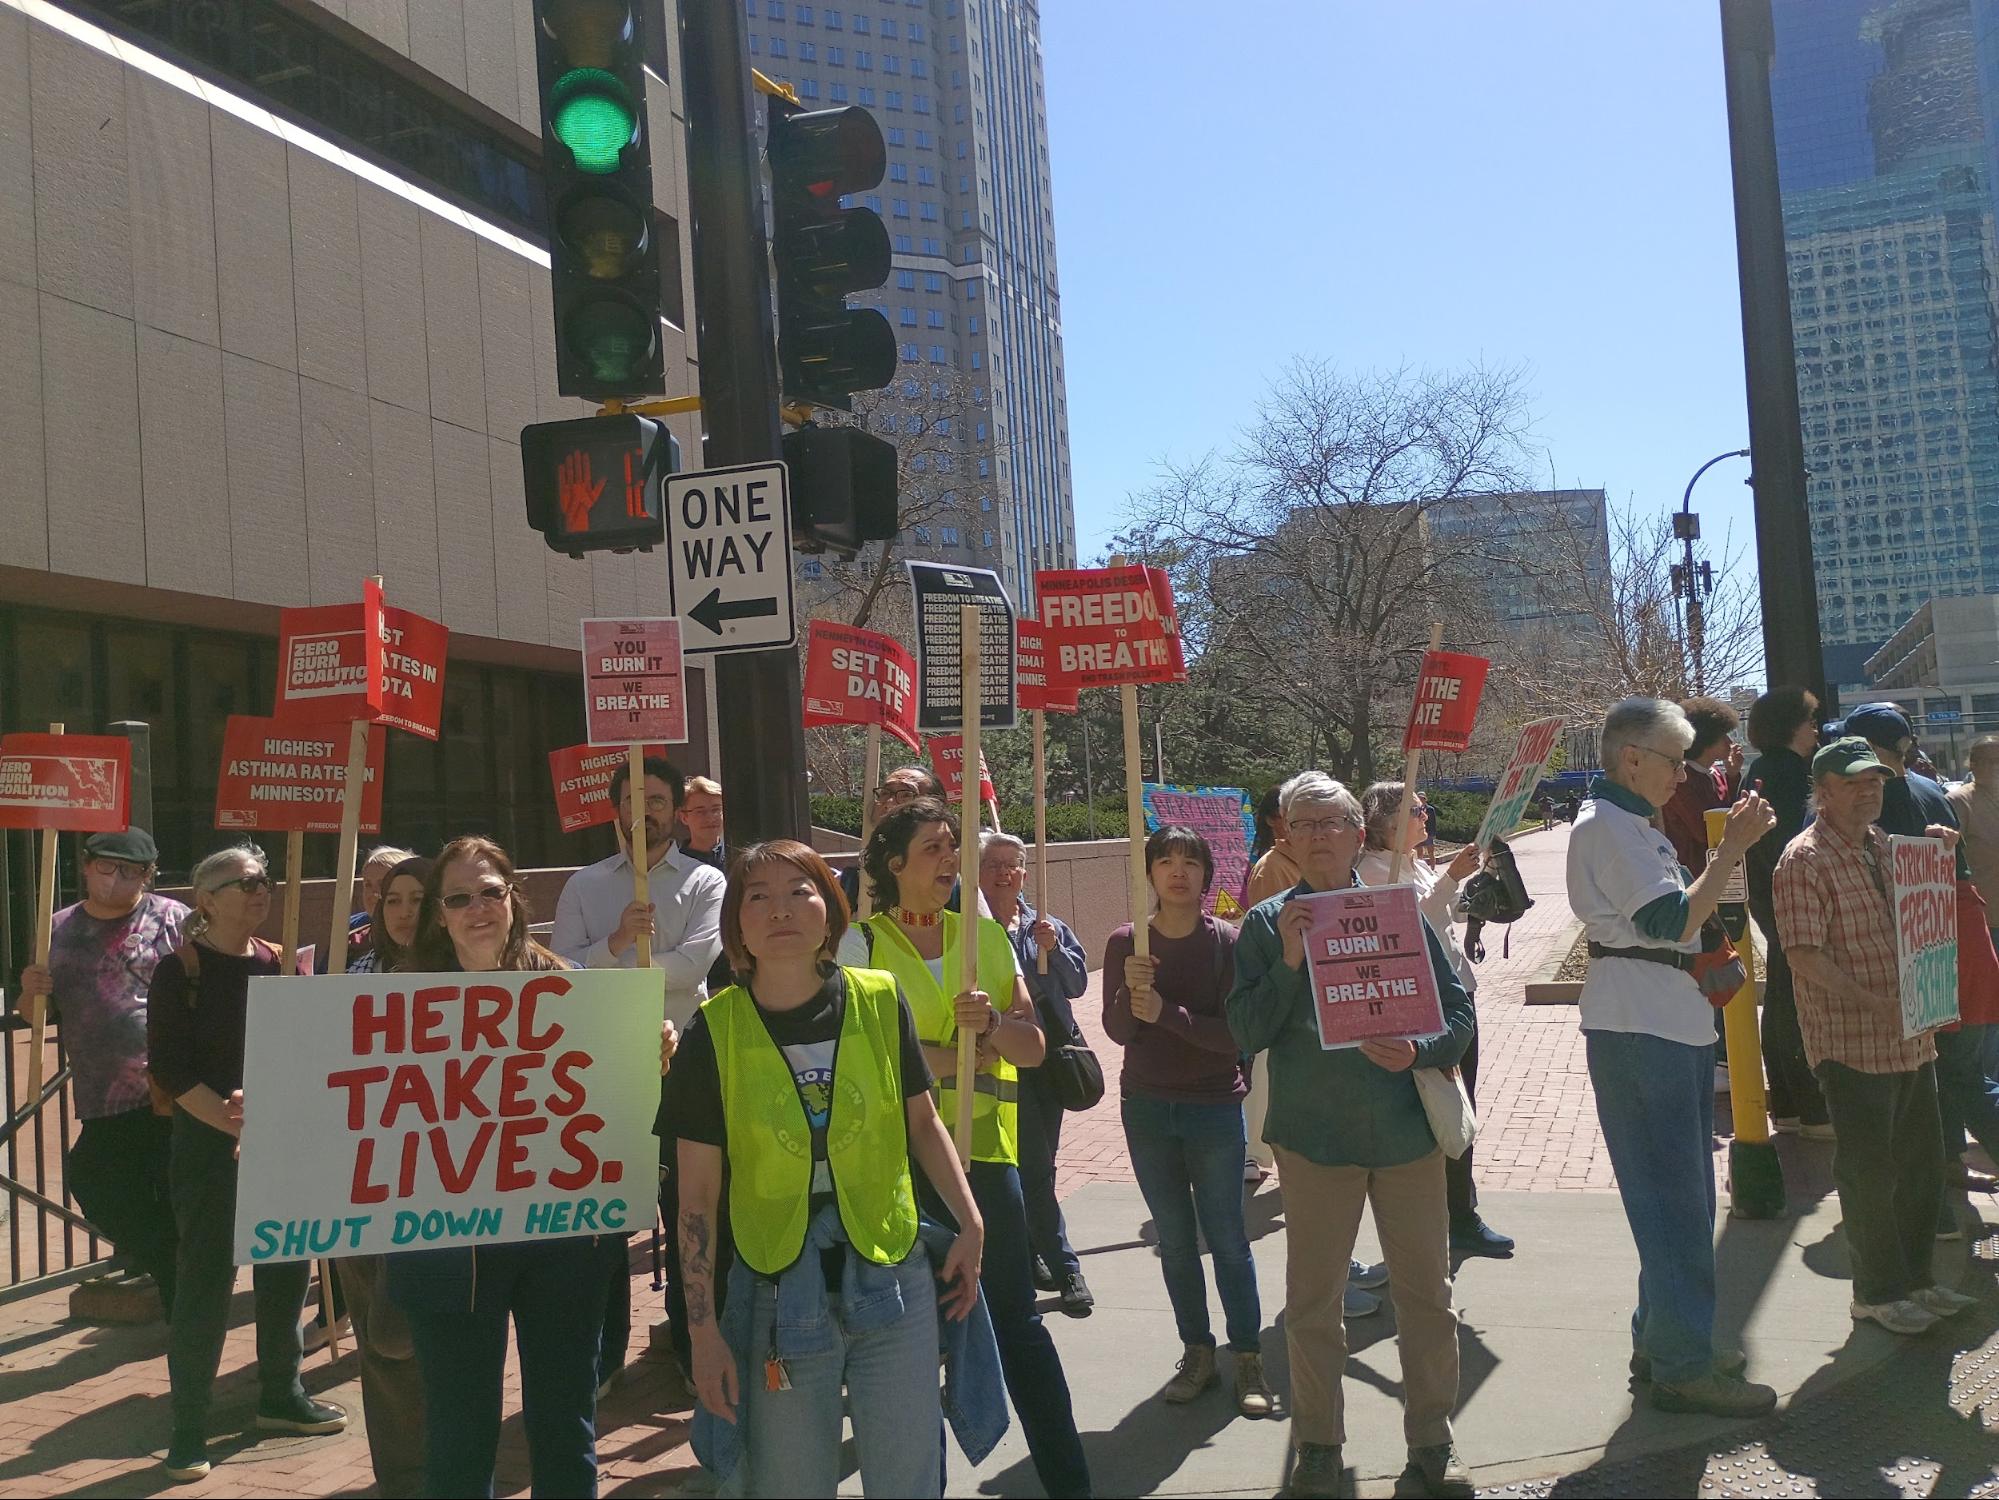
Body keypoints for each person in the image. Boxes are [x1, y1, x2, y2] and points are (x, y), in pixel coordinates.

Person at [663, 839, 987, 1496]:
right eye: (759, 897)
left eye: (799, 891)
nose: (780, 910)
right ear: (737, 928)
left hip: (892, 1277)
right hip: (777, 1295)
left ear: (830, 911)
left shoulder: (877, 998)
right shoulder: (711, 1032)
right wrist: (701, 1331)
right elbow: (695, 1196)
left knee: (908, 1479)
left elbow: (921, 1124)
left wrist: (971, 1222)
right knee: (788, 1484)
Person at [1228, 771, 1477, 1500]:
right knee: (1311, 1305)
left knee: (1425, 1297)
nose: (1313, 836)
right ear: (1284, 836)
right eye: (1298, 824)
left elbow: (1457, 1015)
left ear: (1354, 834)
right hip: (1313, 1141)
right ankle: (1317, 1444)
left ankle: (1431, 1440)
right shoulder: (1265, 923)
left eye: (1327, 823)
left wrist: (1420, 1050)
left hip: (1404, 1137)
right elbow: (1245, 1030)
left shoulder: (1397, 911)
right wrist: (1287, 962)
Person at [839, 800, 1092, 1498]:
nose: (951, 860)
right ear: (893, 865)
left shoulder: (982, 934)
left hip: (987, 1163)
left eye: (953, 846)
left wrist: (990, 1031)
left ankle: (1070, 1482)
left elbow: (1033, 1046)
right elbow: (865, 1063)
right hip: (901, 1170)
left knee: (1016, 1323)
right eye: (933, 848)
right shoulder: (860, 947)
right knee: (914, 1343)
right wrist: (959, 1054)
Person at [1566, 698, 1779, 1418]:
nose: (1683, 774)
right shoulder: (1612, 830)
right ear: (1631, 757)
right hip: (1641, 1029)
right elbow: (1666, 920)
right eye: (1673, 759)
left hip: (1660, 1023)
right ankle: (1681, 1363)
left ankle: (1665, 1344)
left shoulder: (1628, 826)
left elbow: (1669, 921)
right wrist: (1729, 851)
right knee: (1674, 1207)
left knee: (1674, 1204)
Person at [387, 836, 610, 1498]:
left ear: (514, 898)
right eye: (459, 897)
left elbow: (619, 1098)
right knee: (458, 1431)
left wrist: (650, 1049)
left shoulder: (571, 986)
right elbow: (346, 1101)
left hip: (562, 1235)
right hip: (445, 1242)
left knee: (565, 1424)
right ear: (438, 915)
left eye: (490, 891)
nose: (477, 908)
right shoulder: (394, 1001)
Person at [148, 843, 346, 1483]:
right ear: (206, 899)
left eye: (265, 880)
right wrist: (237, 1123)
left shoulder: (286, 964)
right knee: (205, 1283)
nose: (261, 890)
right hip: (210, 1148)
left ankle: (280, 1393)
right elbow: (172, 1072)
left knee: (286, 1271)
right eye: (244, 882)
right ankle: (188, 1425)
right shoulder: (180, 970)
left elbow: (315, 1046)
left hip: (279, 1144)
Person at [1773, 737, 1977, 1336]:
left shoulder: (1887, 847)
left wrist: (1939, 862)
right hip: (1853, 1044)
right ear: (1825, 791)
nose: (1869, 792)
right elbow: (1804, 957)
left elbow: (1924, 922)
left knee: (1920, 1166)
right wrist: (1874, 1003)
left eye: (1877, 782)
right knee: (1870, 1173)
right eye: (1856, 782)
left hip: (1910, 1037)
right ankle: (1877, 1292)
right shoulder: (1802, 859)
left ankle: (1916, 1281)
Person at [552, 754, 725, 1383]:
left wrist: (614, 972)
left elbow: (695, 966)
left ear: (673, 812)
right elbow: (562, 970)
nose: (641, 812)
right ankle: (601, 1361)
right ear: (616, 810)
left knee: (687, 1212)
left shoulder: (705, 883)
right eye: (631, 799)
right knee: (605, 1224)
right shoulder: (585, 885)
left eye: (654, 800)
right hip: (604, 1065)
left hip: (683, 1059)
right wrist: (620, 942)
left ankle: (690, 1346)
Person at [1104, 826, 1273, 1419]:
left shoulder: (1229, 942)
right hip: (1146, 1109)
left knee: (1227, 1239)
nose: (1178, 871)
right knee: (1175, 1242)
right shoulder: (1127, 942)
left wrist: (1166, 1013)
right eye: (1166, 860)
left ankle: (1248, 1355)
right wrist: (1130, 996)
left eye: (1190, 861)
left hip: (1212, 1108)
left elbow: (1232, 1040)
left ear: (1207, 873)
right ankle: (1196, 1352)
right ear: (1149, 872)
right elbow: (1120, 1032)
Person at [17, 829, 186, 1317]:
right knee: (97, 1183)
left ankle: (185, 1311)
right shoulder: (60, 927)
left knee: (173, 1193)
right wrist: (31, 989)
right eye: (107, 866)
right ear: (87, 866)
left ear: (148, 875)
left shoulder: (172, 918)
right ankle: (176, 1272)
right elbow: (34, 1015)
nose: (116, 879)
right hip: (103, 1095)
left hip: (171, 1087)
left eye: (130, 870)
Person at [1840, 703, 1999, 1219]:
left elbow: (1897, 894)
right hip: (1962, 941)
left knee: (1958, 1077)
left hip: (1932, 946)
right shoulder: (1932, 791)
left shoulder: (1885, 801)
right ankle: (1948, 1167)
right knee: (1955, 1072)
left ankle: (1936, 1203)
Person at [1357, 783, 1513, 1258]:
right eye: (1418, 810)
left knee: (1460, 1103)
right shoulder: (1371, 872)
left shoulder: (1416, 864)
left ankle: (1459, 1214)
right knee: (1439, 1107)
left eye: (1426, 808)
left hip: (1455, 994)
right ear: (1387, 821)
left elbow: (1442, 916)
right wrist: (1451, 881)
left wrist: (1475, 893)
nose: (1427, 817)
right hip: (1420, 1006)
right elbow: (1405, 925)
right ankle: (1445, 1219)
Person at [336, 855, 432, 1496]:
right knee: (383, 1341)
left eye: (418, 899)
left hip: (445, 1181)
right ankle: (400, 1476)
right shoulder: (352, 974)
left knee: (421, 1337)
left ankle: (448, 1460)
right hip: (367, 1176)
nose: (402, 912)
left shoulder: (463, 975)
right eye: (390, 899)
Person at [977, 831, 1094, 1318]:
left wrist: (1054, 949)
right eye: (994, 864)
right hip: (1002, 1059)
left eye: (1014, 865)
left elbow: (1078, 984)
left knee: (1039, 1163)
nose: (1005, 873)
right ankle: (1066, 1267)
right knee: (1033, 1170)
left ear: (1026, 873)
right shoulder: (972, 931)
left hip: (1051, 1061)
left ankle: (1033, 1253)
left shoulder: (1045, 926)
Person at [1743, 688, 1830, 1137]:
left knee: (1780, 993)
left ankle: (1789, 1105)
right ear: (1790, 725)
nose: (1815, 729)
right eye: (1809, 720)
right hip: (1791, 899)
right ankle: (1812, 1107)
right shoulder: (1795, 775)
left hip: (1764, 898)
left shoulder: (1758, 772)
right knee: (1799, 999)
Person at [1945, 735, 1999, 1187]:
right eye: (1992, 760)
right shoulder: (1959, 801)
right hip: (1983, 922)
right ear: (1976, 763)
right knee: (1983, 1030)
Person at [1241, 788, 1299, 1187]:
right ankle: (1255, 1152)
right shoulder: (1271, 867)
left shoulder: (1315, 863)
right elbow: (1263, 934)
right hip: (1277, 987)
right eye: (1293, 814)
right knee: (1263, 1075)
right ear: (1272, 821)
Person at [836, 765, 948, 911]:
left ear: (934, 807)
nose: (889, 803)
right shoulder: (851, 881)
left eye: (906, 794)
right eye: (885, 793)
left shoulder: (949, 879)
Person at [677, 775, 726, 870]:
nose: (710, 818)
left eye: (716, 809)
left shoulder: (738, 857)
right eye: (700, 811)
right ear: (684, 817)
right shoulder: (677, 865)